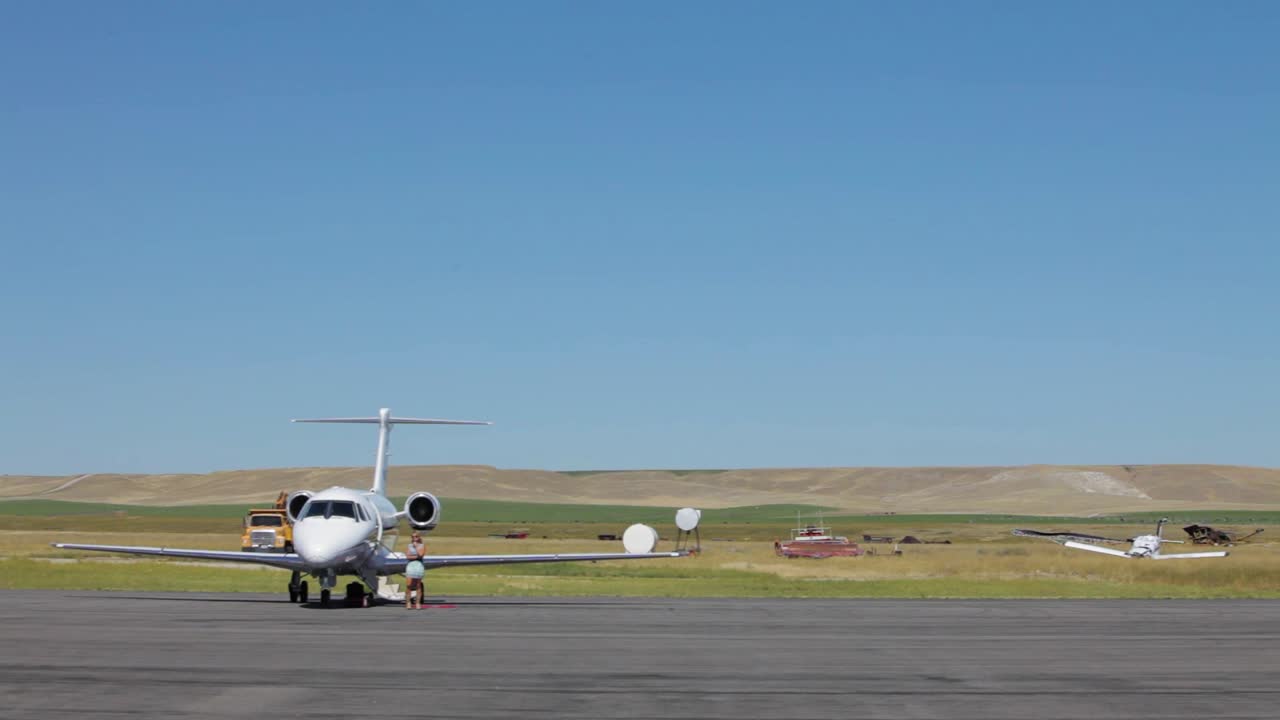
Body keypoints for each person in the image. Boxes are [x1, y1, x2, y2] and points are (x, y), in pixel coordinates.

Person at [404, 532, 426, 610]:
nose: (414, 538)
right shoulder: (409, 546)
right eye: (413, 536)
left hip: (419, 566)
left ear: (419, 537)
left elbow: (421, 555)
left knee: (418, 586)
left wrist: (416, 547)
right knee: (409, 585)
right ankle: (408, 602)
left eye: (416, 536)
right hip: (410, 566)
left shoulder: (422, 546)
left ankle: (417, 603)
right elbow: (407, 556)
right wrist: (415, 556)